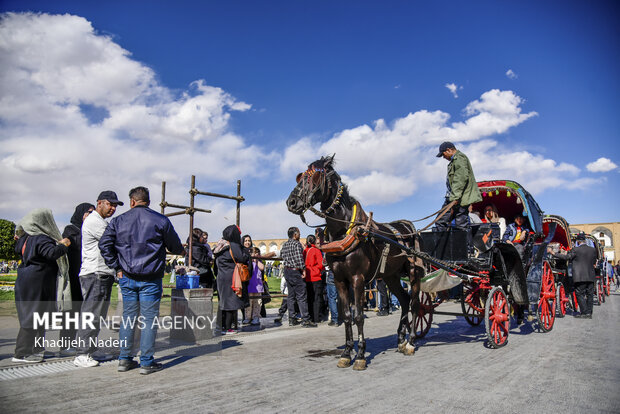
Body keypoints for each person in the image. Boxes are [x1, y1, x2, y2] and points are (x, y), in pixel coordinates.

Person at [99, 186, 184, 374]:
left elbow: (104, 244)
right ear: (148, 201)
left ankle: (124, 359)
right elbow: (176, 246)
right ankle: (146, 361)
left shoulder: (118, 221)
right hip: (151, 278)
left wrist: (116, 266)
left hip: (127, 276)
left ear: (131, 201)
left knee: (128, 318)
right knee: (148, 320)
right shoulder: (161, 220)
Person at [12, 209, 71, 363]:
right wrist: (63, 245)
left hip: (26, 279)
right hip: (37, 281)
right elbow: (51, 254)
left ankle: (37, 350)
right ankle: (22, 353)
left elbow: (19, 250)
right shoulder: (41, 238)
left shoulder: (24, 238)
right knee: (33, 316)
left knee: (37, 316)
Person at [73, 191, 122, 368]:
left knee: (98, 315)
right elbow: (115, 242)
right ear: (100, 203)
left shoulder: (101, 222)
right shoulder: (94, 221)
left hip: (102, 274)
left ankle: (90, 350)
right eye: (110, 204)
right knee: (91, 314)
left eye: (115, 206)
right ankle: (82, 353)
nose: (113, 208)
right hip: (95, 274)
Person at [59, 202, 94, 355]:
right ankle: (65, 345)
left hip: (86, 276)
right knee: (71, 313)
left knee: (84, 313)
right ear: (81, 213)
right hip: (73, 277)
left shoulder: (90, 229)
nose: (91, 215)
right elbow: (79, 244)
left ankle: (81, 342)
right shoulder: (71, 229)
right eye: (88, 212)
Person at [547, 233, 597, 318]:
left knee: (579, 293)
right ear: (584, 240)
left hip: (580, 276)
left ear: (578, 241)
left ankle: (584, 313)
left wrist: (553, 253)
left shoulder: (576, 250)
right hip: (590, 275)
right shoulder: (592, 250)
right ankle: (589, 313)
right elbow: (594, 261)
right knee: (590, 294)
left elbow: (567, 257)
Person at [434, 142, 482, 230]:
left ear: (448, 150)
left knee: (460, 224)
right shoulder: (455, 160)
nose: (443, 157)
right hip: (453, 197)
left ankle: (463, 243)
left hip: (459, 198)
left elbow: (460, 178)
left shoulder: (459, 158)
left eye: (443, 154)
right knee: (441, 221)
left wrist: (455, 197)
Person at [213, 225, 250, 334]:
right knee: (231, 302)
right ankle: (228, 327)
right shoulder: (233, 245)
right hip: (231, 277)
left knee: (223, 302)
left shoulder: (220, 244)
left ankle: (220, 326)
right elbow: (242, 258)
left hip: (221, 277)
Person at [281, 227, 316, 327]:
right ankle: (306, 319)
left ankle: (292, 318)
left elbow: (283, 255)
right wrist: (303, 269)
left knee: (291, 296)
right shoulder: (296, 244)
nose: (300, 235)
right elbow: (299, 258)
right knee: (301, 296)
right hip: (295, 271)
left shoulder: (285, 244)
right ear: (295, 235)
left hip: (287, 271)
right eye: (299, 233)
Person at [304, 234, 325, 323]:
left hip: (307, 277)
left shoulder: (305, 250)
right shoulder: (316, 251)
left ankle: (311, 316)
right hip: (315, 276)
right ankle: (316, 318)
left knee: (309, 298)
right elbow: (321, 264)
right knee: (317, 298)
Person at [245, 247, 264, 325]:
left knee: (257, 303)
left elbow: (262, 268)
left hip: (258, 286)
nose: (255, 254)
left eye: (257, 253)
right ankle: (248, 317)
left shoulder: (259, 261)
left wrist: (256, 261)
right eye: (253, 253)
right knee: (249, 303)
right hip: (249, 286)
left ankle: (256, 317)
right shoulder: (248, 262)